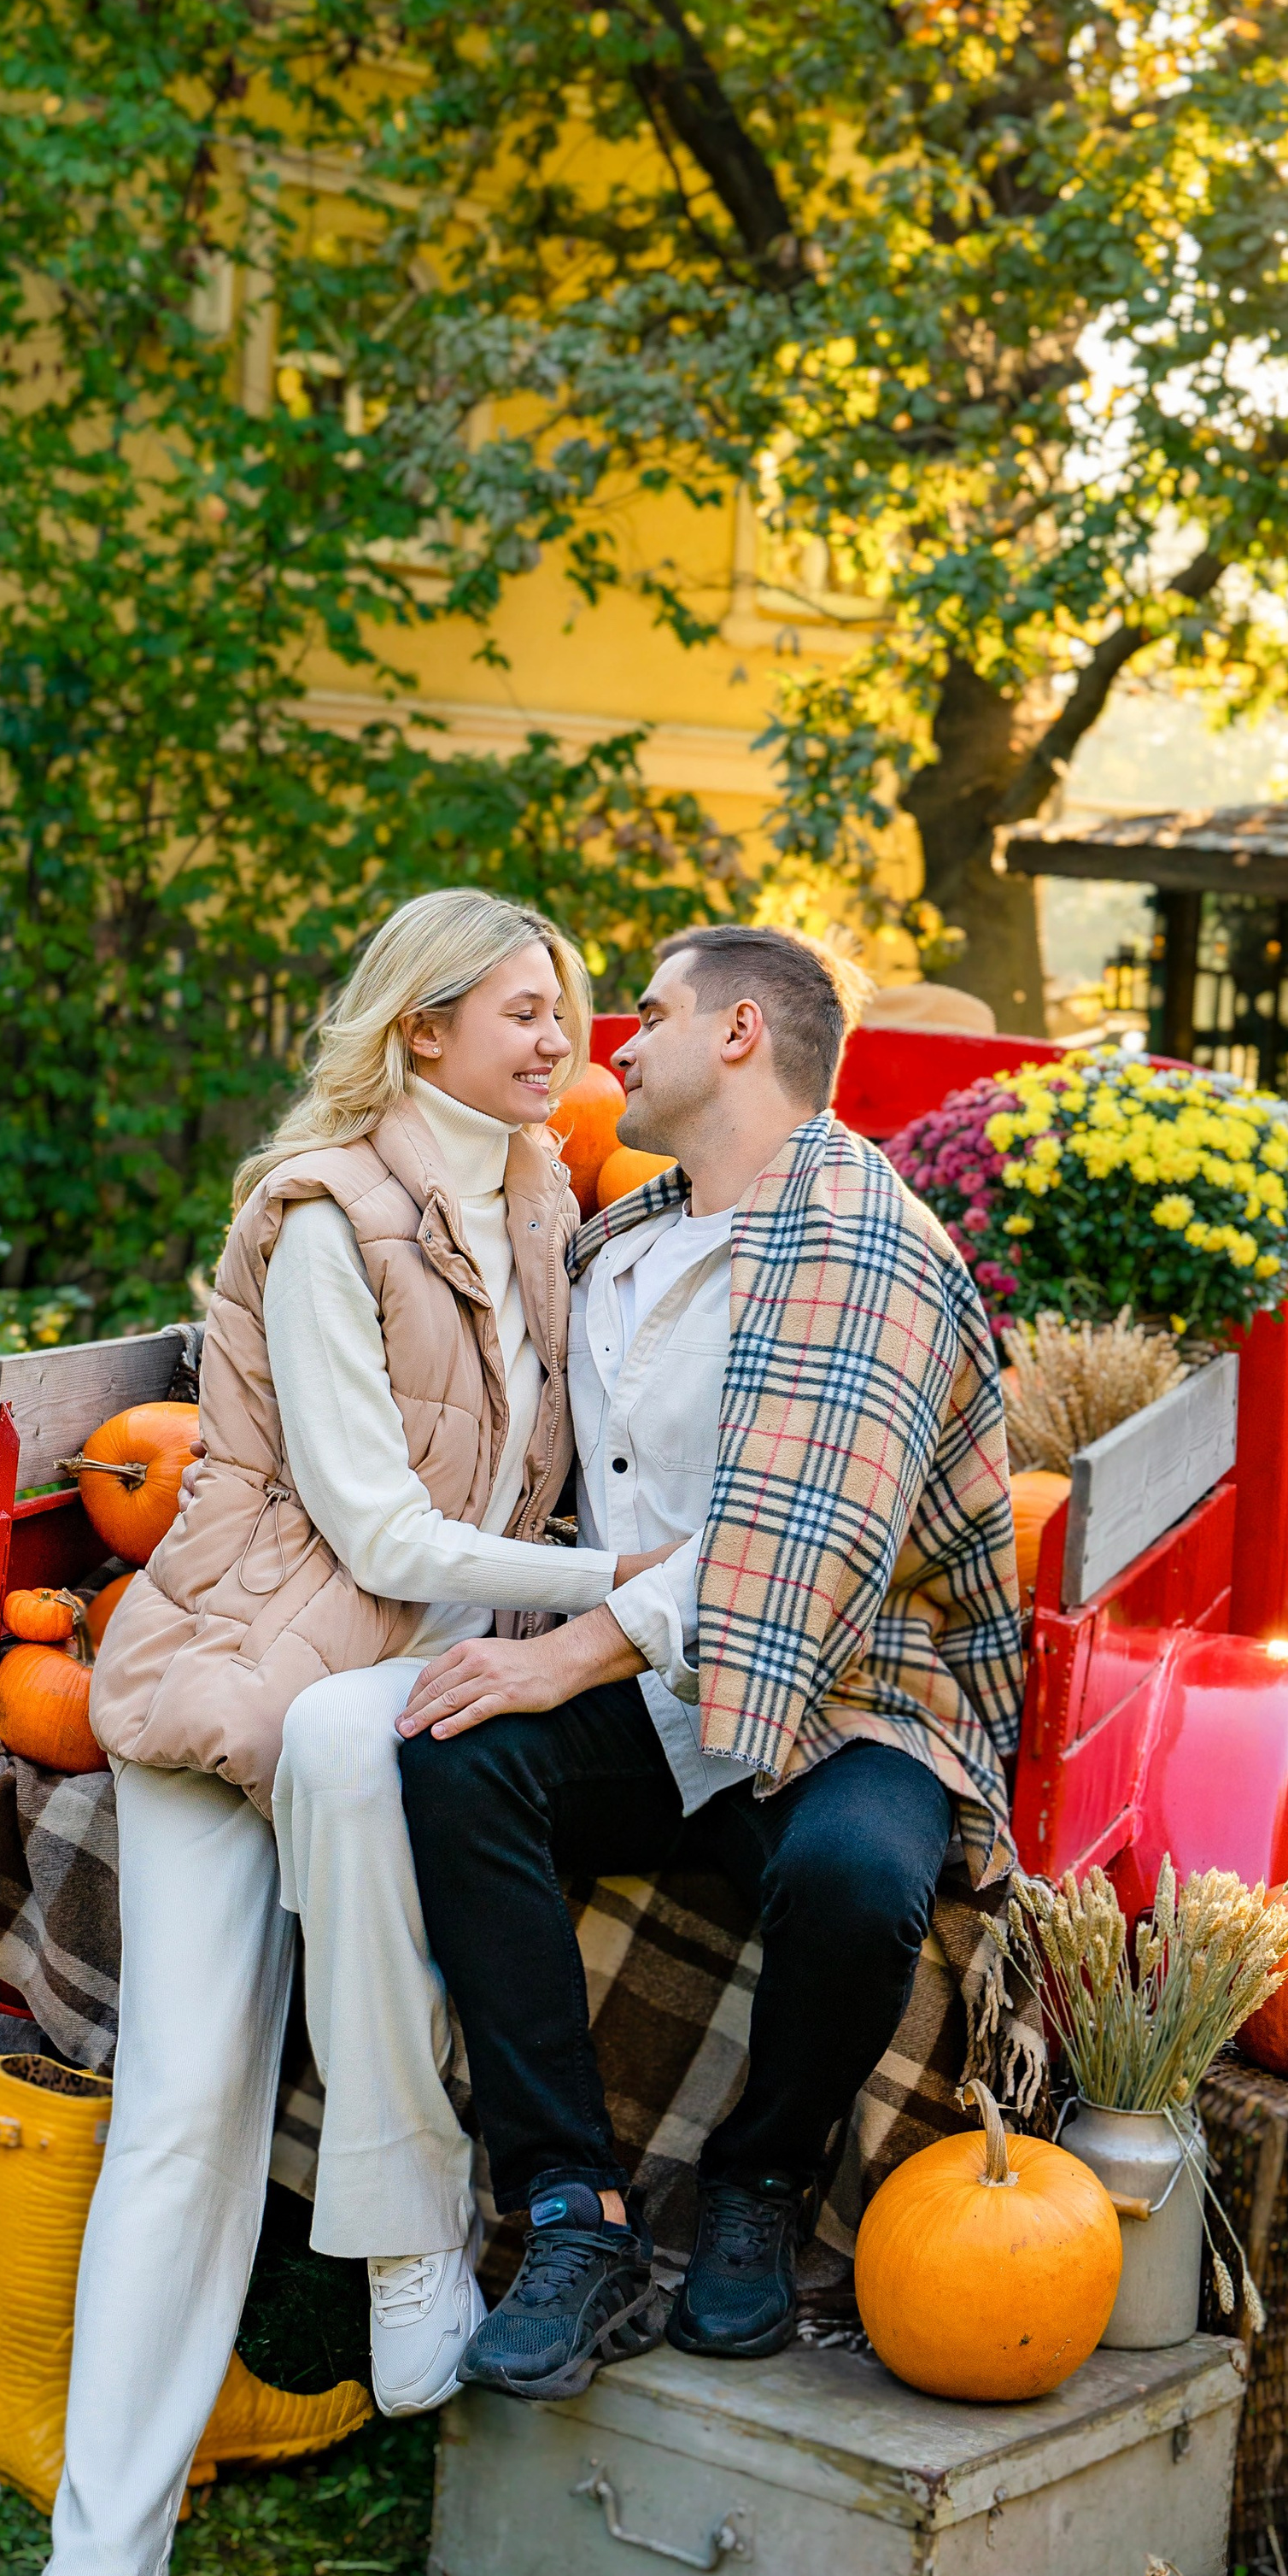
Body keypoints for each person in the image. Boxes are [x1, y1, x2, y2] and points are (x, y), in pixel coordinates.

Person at [22, 889, 668, 2576]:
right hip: (244, 1673)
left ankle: (402, 2239)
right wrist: (613, 1581)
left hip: (391, 1694)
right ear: (419, 1032)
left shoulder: (541, 1197)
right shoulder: (320, 1220)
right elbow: (377, 1535)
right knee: (184, 2114)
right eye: (523, 1012)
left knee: (379, 1841)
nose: (561, 1042)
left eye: (565, 1010)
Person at [394, 924, 1027, 2401]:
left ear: (740, 1033)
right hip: (661, 1695)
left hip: (856, 1687)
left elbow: (799, 1538)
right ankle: (571, 2208)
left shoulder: (862, 1246)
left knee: (861, 1875)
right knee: (457, 1760)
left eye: (652, 1013)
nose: (615, 1042)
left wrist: (566, 1660)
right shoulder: (625, 1239)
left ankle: (761, 2180)